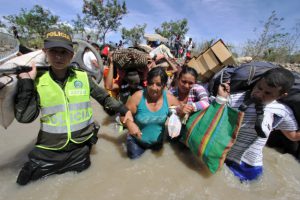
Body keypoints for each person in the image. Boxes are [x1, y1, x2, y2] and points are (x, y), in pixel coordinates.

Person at [14, 28, 133, 185]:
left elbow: (104, 98)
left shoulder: (83, 77)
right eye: (53, 51)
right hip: (49, 151)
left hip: (79, 149)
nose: (58, 56)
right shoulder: (37, 80)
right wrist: (26, 82)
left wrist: (125, 110)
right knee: (22, 183)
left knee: (83, 184)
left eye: (63, 52)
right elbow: (25, 117)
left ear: (71, 55)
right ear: (45, 52)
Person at [217, 67, 300, 181]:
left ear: (281, 95)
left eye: (268, 93)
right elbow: (215, 120)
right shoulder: (234, 99)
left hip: (250, 167)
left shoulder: (282, 112)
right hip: (224, 157)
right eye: (259, 88)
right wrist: (221, 98)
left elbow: (293, 136)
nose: (259, 94)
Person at [122, 67, 180, 159]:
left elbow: (180, 115)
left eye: (158, 84)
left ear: (164, 86)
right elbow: (122, 114)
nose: (153, 88)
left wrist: (183, 111)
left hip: (157, 143)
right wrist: (129, 123)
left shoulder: (170, 99)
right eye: (150, 83)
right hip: (136, 143)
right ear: (146, 83)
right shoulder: (137, 97)